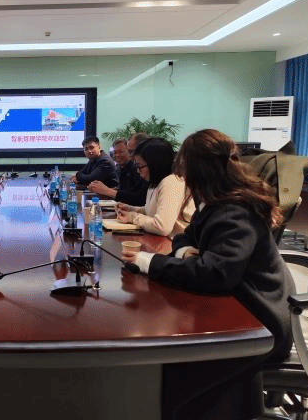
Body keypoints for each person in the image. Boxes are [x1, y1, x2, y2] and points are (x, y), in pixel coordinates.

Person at [121, 129, 293, 420]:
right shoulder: (215, 203)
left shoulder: (235, 211)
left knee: (180, 369)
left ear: (197, 171)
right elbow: (183, 237)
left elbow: (215, 274)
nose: (181, 176)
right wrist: (185, 254)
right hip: (239, 306)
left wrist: (148, 262)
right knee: (174, 360)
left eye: (184, 168)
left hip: (260, 323)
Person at [115, 137, 194, 238]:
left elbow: (162, 227)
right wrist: (130, 209)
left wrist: (133, 217)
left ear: (154, 164)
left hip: (173, 242)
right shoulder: (155, 182)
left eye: (140, 166)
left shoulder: (171, 182)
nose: (138, 171)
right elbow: (152, 211)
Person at [88, 134, 148, 205]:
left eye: (121, 152)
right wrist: (102, 190)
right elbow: (126, 191)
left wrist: (108, 191)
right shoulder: (121, 168)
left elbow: (140, 198)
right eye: (115, 152)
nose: (117, 155)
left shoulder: (138, 168)